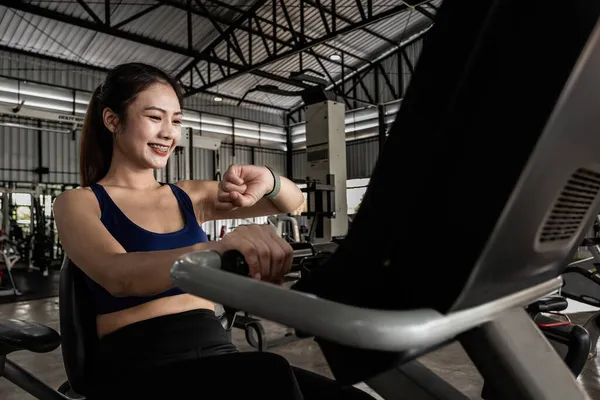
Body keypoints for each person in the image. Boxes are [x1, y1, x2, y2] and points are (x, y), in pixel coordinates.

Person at [52, 62, 374, 400]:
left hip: (217, 354)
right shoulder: (79, 202)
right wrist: (217, 250)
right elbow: (119, 276)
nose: (169, 132)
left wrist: (270, 178)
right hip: (141, 367)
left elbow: (291, 203)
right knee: (269, 375)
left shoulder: (189, 196)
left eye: (175, 120)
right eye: (154, 117)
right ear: (112, 120)